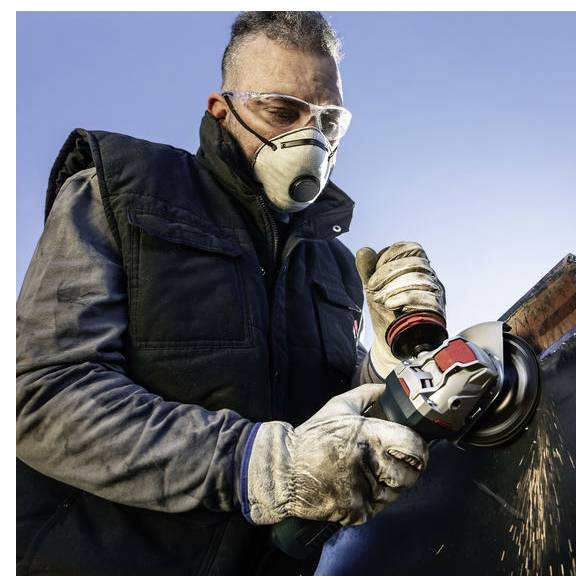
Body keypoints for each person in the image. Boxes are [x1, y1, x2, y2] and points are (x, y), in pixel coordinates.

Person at [16, 11, 446, 575]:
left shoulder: (336, 267)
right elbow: (43, 395)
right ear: (223, 111)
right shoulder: (119, 189)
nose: (309, 139)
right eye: (282, 111)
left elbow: (332, 431)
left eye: (327, 121)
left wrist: (391, 366)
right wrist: (255, 467)